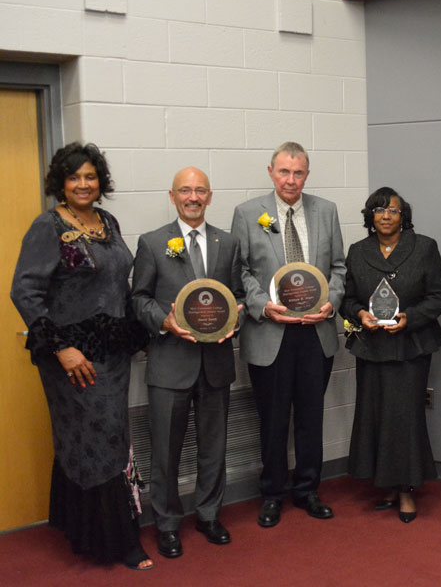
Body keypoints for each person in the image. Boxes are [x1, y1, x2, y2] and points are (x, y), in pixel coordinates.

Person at [10, 143, 152, 570]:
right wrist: (62, 348)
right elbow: (24, 291)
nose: (83, 184)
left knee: (112, 438)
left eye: (90, 177)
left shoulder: (106, 221)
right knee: (96, 440)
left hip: (111, 353)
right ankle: (119, 542)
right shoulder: (47, 226)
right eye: (74, 177)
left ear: (100, 181)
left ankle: (91, 533)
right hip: (71, 359)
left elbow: (116, 283)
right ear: (61, 183)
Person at [230, 142, 346, 527]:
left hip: (316, 333)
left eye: (298, 173)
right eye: (284, 172)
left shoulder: (326, 211)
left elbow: (339, 269)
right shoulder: (247, 214)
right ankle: (273, 494)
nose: (291, 180)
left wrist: (332, 301)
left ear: (307, 175)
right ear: (270, 172)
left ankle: (308, 490)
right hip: (270, 333)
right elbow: (240, 272)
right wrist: (263, 304)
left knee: (311, 417)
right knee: (274, 420)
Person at [132, 167, 244, 558]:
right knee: (165, 450)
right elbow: (139, 298)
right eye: (185, 190)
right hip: (169, 363)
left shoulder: (227, 243)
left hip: (215, 363)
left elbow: (237, 298)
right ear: (173, 195)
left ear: (210, 196)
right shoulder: (151, 243)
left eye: (200, 190)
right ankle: (166, 524)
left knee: (214, 447)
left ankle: (210, 515)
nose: (193, 197)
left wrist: (236, 321)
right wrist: (165, 321)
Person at [340, 187, 441, 523]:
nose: (386, 216)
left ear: (405, 216)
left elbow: (437, 296)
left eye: (393, 211)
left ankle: (406, 489)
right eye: (379, 210)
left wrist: (409, 319)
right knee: (376, 417)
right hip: (371, 347)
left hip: (410, 347)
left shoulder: (425, 247)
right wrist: (359, 315)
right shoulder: (357, 251)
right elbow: (347, 298)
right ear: (370, 216)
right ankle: (385, 483)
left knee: (404, 418)